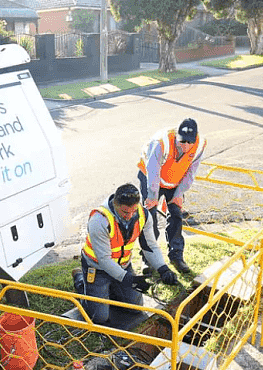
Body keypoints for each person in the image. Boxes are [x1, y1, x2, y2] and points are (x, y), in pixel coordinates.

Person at [73, 184, 178, 324]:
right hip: (97, 269)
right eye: (124, 212)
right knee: (98, 318)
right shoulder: (99, 220)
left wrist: (163, 268)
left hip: (123, 266)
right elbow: (104, 260)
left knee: (135, 308)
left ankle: (111, 290)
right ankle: (81, 281)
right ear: (115, 204)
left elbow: (150, 245)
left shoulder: (143, 215)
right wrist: (128, 279)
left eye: (133, 211)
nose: (129, 216)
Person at [137, 118, 207, 274]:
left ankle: (176, 256)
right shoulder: (161, 142)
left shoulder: (200, 144)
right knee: (150, 217)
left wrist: (179, 193)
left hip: (174, 180)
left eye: (190, 142)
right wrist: (152, 196)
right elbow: (153, 171)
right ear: (177, 135)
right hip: (150, 177)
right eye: (182, 142)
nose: (186, 147)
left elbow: (191, 172)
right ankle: (147, 259)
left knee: (176, 215)